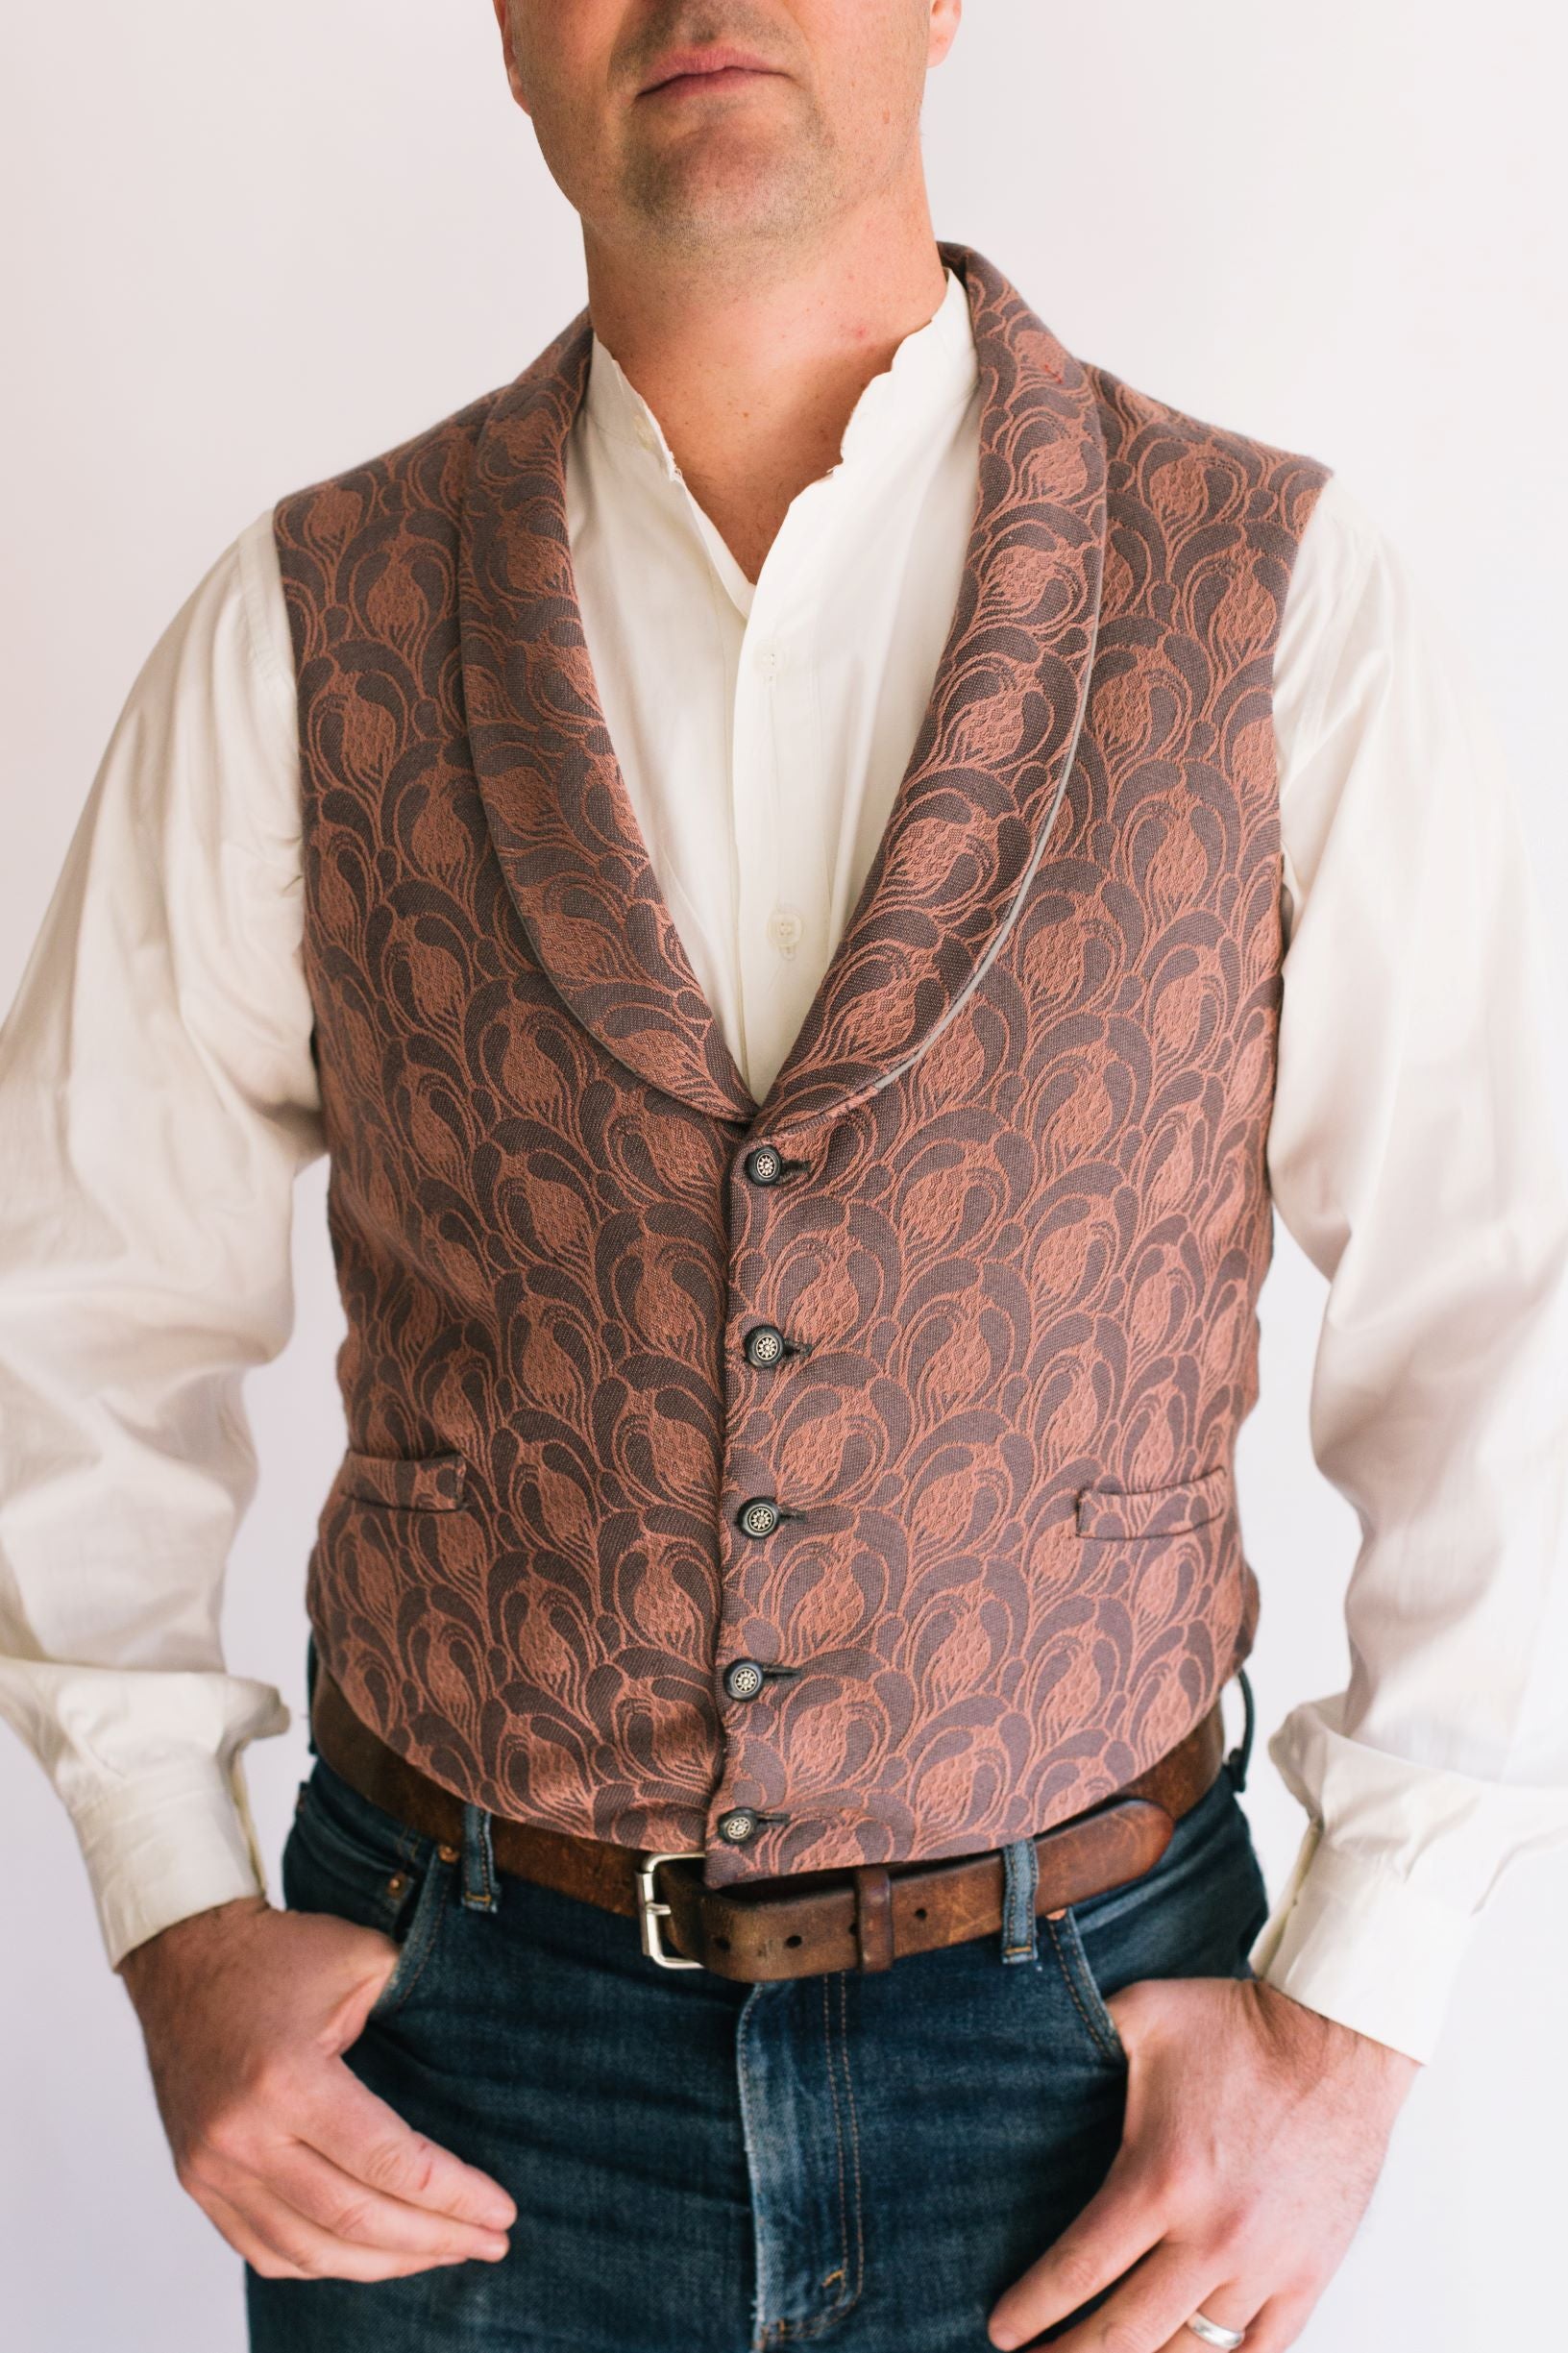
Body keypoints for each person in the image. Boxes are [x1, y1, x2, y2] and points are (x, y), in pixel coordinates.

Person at [3, 4, 1566, 2349]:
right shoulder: (302, 629)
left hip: (1089, 2090)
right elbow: (71, 1298)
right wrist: (170, 1906)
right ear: (507, 36)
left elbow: (1508, 1309)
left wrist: (1355, 2015)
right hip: (452, 2073)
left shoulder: (1282, 611)